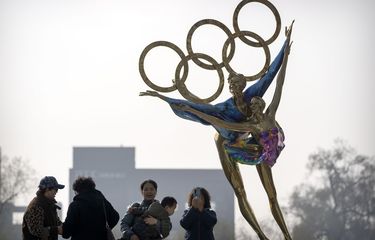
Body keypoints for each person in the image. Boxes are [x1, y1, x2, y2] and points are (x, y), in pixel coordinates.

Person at [140, 22, 294, 240]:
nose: (236, 89)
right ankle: (261, 235)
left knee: (272, 194)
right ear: (231, 88)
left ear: (244, 86)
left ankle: (287, 236)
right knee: (240, 192)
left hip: (255, 145)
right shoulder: (227, 109)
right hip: (227, 144)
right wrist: (166, 98)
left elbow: (273, 79)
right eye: (232, 87)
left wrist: (285, 47)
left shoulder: (256, 100)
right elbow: (203, 111)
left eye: (238, 85)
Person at [22, 176, 65, 240]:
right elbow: (36, 230)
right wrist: (56, 230)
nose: (57, 192)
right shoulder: (36, 206)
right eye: (55, 189)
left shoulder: (50, 206)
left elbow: (58, 224)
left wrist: (68, 226)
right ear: (47, 189)